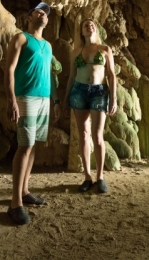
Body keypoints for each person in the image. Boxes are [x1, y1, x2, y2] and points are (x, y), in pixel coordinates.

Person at [4, 2, 61, 225]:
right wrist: (12, 100)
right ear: (28, 17)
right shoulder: (21, 39)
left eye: (45, 13)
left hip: (44, 99)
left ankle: (25, 191)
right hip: (25, 97)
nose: (43, 14)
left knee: (34, 144)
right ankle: (14, 203)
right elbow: (9, 69)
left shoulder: (47, 46)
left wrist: (55, 100)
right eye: (38, 11)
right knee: (25, 146)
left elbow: (49, 74)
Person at [62, 18, 117, 194]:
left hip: (99, 92)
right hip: (78, 92)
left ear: (96, 29)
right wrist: (65, 98)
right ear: (82, 32)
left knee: (97, 135)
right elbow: (71, 76)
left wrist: (113, 98)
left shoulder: (105, 49)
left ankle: (100, 177)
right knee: (83, 134)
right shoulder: (76, 51)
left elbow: (111, 75)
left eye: (92, 23)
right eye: (86, 25)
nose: (89, 25)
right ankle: (87, 176)